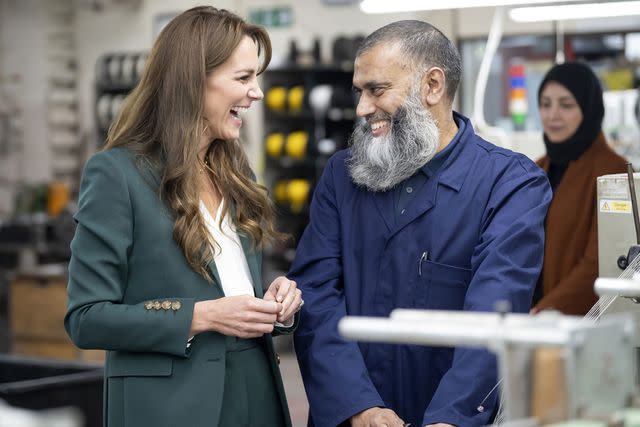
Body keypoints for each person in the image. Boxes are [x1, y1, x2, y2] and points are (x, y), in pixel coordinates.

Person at [289, 20, 552, 427]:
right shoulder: (342, 175)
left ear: (432, 86)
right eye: (359, 92)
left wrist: (449, 417)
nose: (361, 108)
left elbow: (496, 311)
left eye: (376, 90)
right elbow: (315, 294)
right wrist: (358, 406)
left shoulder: (511, 185)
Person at [64, 7, 302, 427]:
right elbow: (87, 318)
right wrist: (203, 315)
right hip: (168, 405)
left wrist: (272, 303)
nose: (257, 92)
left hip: (256, 385)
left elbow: (231, 286)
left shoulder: (235, 171)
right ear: (194, 82)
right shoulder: (116, 175)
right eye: (243, 78)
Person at [531, 62, 627, 315]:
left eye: (566, 105)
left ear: (589, 108)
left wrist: (544, 312)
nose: (553, 115)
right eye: (545, 104)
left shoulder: (615, 173)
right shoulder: (534, 170)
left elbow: (600, 264)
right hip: (528, 319)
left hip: (578, 324)